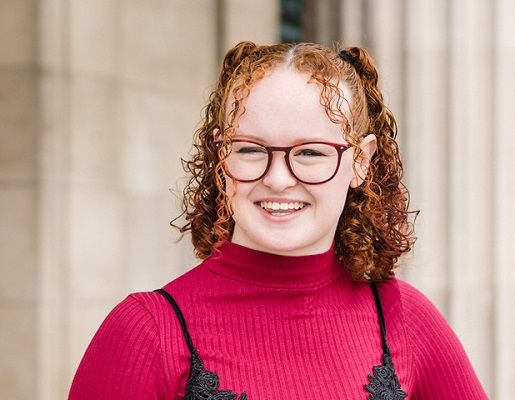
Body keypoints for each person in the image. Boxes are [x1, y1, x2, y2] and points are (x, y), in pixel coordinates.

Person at [69, 41, 488, 399]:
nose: (278, 179)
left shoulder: (403, 316)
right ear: (221, 155)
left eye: (310, 152)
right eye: (250, 149)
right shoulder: (146, 331)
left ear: (360, 160)